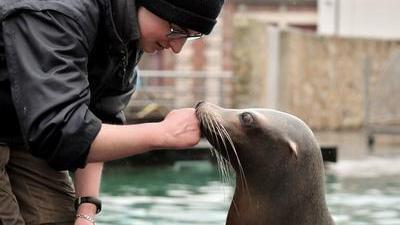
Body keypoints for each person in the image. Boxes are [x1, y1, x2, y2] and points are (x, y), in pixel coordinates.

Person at [0, 0, 224, 224]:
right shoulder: (58, 12)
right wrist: (163, 133)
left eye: (191, 36)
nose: (177, 48)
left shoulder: (128, 31)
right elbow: (60, 131)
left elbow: (96, 121)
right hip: (38, 124)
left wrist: (86, 211)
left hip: (25, 128)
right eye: (177, 30)